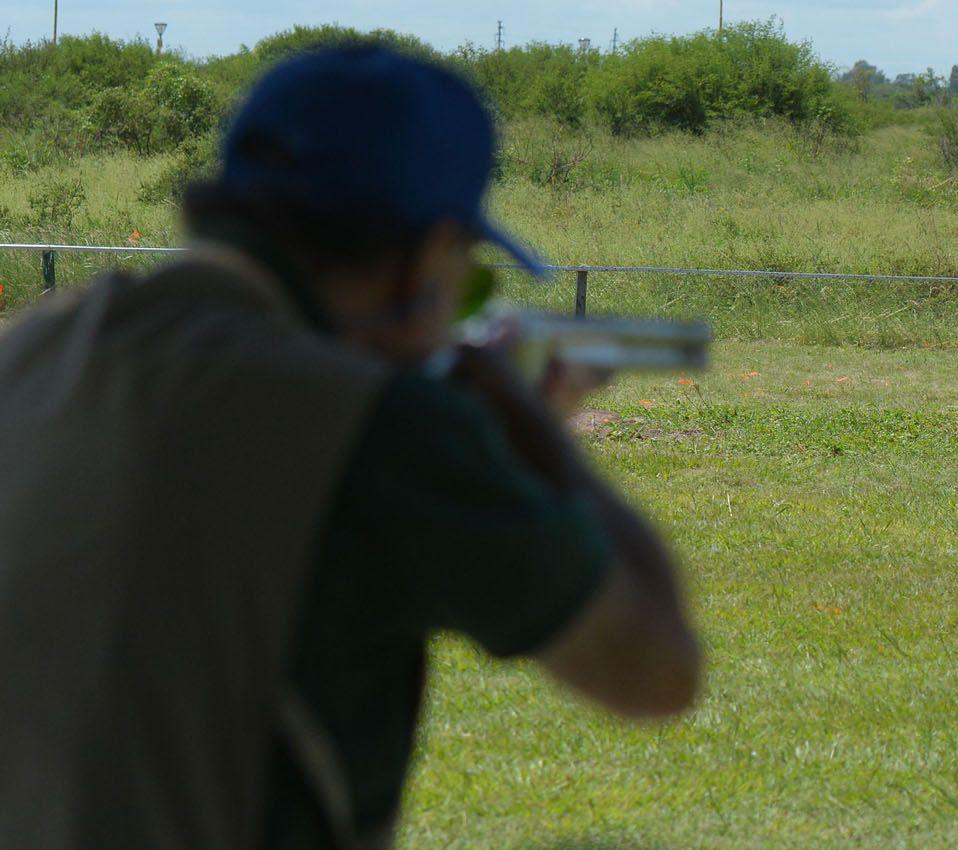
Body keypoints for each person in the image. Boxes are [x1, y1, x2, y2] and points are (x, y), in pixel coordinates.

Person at [0, 47, 701, 850]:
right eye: (465, 270)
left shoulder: (34, 351)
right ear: (421, 259)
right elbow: (655, 668)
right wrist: (529, 429)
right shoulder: (377, 427)